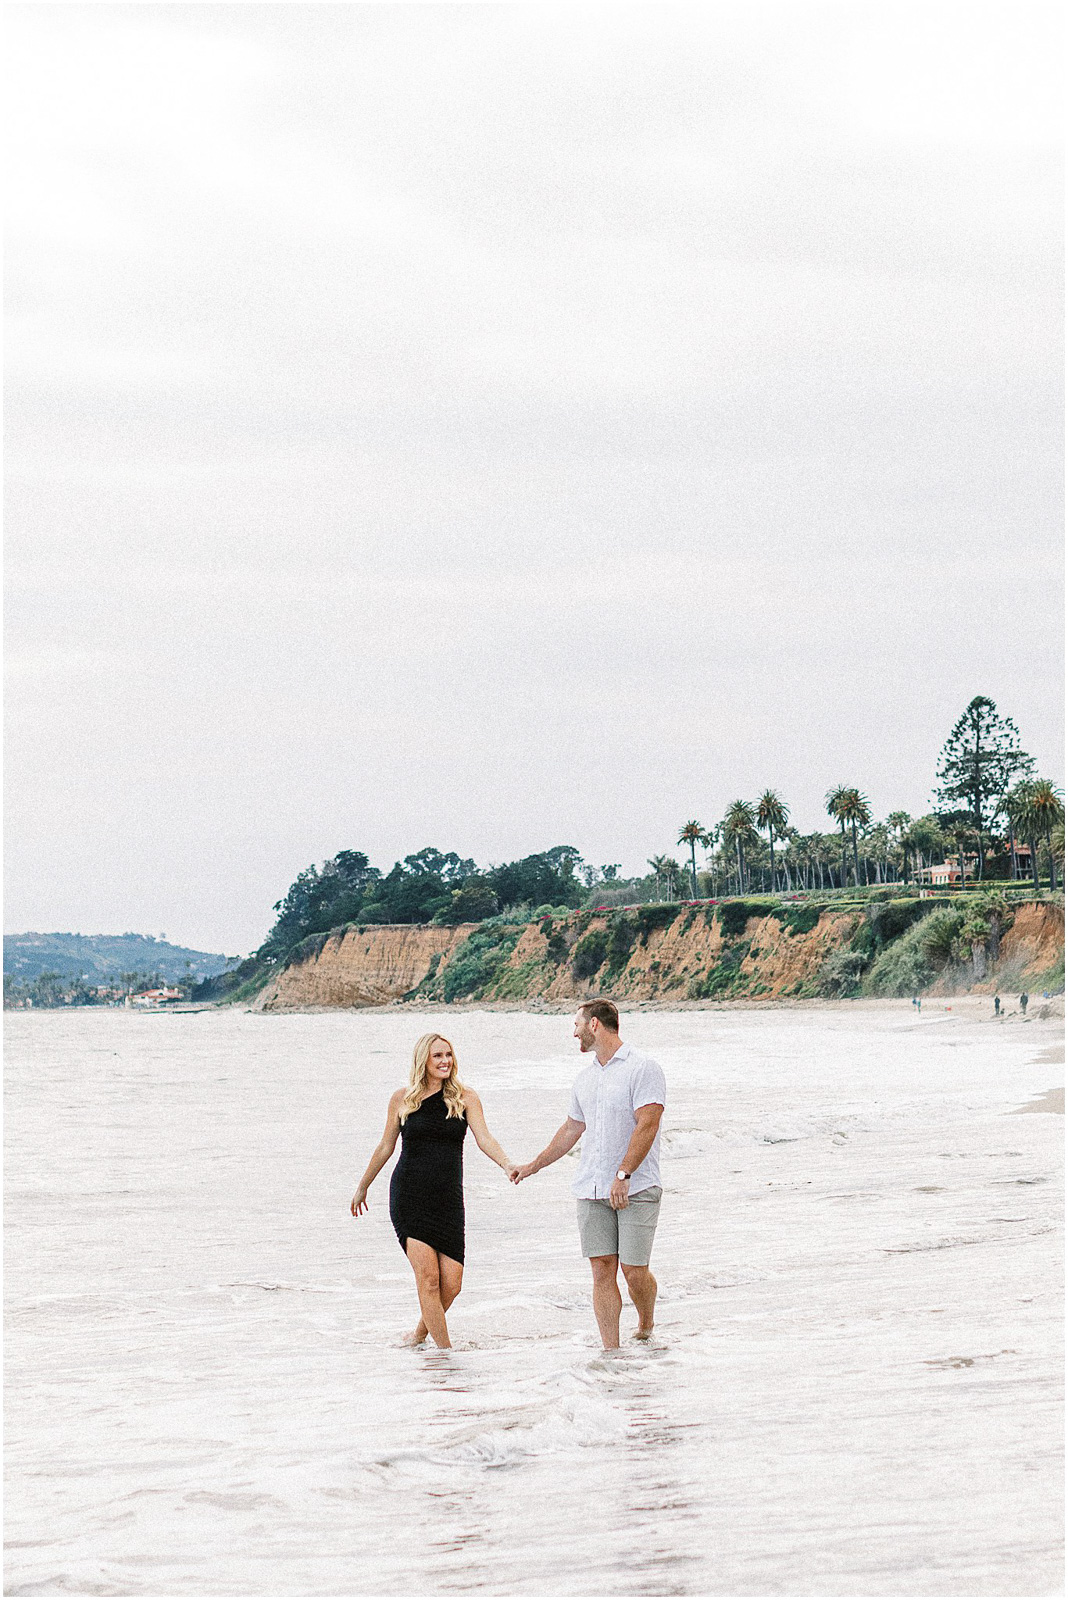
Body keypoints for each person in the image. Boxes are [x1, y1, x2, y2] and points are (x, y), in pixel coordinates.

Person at [513, 1000, 666, 1350]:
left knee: (633, 1270)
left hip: (637, 1186)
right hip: (590, 1188)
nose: (574, 1032)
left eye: (577, 1024)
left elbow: (648, 1124)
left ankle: (645, 1322)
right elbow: (571, 1129)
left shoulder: (643, 1068)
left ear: (595, 1024)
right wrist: (532, 1165)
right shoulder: (584, 1078)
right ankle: (610, 1351)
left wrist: (623, 1174)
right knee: (601, 1268)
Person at [351, 1033, 517, 1348]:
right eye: (437, 1056)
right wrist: (363, 1185)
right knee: (428, 1281)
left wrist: (507, 1164)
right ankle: (445, 1358)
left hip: (448, 1200)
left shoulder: (466, 1098)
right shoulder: (402, 1099)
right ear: (423, 1060)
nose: (444, 1061)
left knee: (451, 1285)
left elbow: (485, 1139)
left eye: (448, 1055)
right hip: (409, 1196)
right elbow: (386, 1146)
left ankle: (418, 1335)